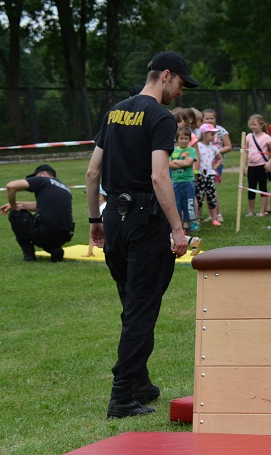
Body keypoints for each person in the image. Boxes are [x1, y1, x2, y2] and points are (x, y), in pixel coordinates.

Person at [85, 50, 199, 418]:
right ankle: (121, 395)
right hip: (145, 221)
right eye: (180, 83)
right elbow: (159, 175)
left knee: (132, 304)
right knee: (142, 308)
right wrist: (178, 229)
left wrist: (95, 218)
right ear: (166, 75)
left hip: (113, 218)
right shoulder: (161, 117)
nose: (180, 92)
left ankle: (139, 383)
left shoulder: (115, 112)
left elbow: (92, 172)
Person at [0, 163, 74, 262]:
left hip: (45, 232)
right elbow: (45, 206)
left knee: (15, 214)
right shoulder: (64, 188)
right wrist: (20, 204)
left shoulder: (43, 180)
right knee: (47, 226)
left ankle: (29, 254)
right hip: (64, 235)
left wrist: (13, 207)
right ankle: (54, 249)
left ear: (44, 173)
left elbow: (11, 186)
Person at [244, 113, 271, 217]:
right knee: (251, 188)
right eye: (251, 124)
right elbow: (245, 151)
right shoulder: (249, 137)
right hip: (251, 166)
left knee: (263, 188)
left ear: (261, 125)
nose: (253, 127)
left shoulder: (266, 137)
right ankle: (251, 211)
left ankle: (262, 211)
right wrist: (244, 166)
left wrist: (270, 162)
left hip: (262, 166)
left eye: (255, 124)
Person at [170, 126, 198, 234]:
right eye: (181, 138)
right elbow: (169, 164)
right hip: (176, 181)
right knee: (177, 203)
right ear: (177, 139)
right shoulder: (173, 150)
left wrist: (175, 161)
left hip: (188, 181)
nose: (183, 140)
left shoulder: (191, 150)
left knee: (188, 203)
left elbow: (188, 163)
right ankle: (178, 225)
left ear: (189, 139)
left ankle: (187, 224)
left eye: (186, 138)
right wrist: (182, 163)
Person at [196, 123, 223, 226]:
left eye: (214, 134)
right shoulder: (197, 146)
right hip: (200, 175)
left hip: (210, 175)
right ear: (204, 134)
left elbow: (220, 159)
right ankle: (197, 218)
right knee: (199, 197)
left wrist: (214, 168)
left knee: (212, 196)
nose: (214, 136)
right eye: (211, 134)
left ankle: (214, 219)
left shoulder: (213, 148)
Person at [202, 109, 231, 189]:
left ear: (215, 119)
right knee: (203, 184)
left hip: (217, 161)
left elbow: (228, 146)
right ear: (202, 119)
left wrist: (215, 152)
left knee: (212, 185)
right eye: (207, 119)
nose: (209, 121)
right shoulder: (201, 131)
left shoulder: (221, 130)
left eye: (211, 118)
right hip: (203, 162)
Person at [83, 186, 107, 256]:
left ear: (100, 197)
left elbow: (94, 232)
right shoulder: (106, 207)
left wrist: (89, 251)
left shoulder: (99, 210)